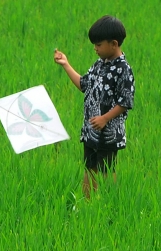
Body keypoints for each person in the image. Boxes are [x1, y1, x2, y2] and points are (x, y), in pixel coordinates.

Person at [54, 15, 135, 199]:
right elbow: (84, 84)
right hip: (91, 130)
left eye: (98, 45)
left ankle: (109, 202)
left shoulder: (123, 69)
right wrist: (66, 64)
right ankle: (86, 202)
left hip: (108, 132)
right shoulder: (99, 64)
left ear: (113, 44)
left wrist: (105, 118)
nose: (95, 49)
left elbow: (125, 101)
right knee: (89, 167)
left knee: (107, 169)